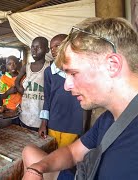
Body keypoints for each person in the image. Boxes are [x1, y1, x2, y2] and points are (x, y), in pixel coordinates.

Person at [22, 17, 138, 180]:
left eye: (74, 73)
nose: (66, 86)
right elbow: (71, 152)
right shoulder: (108, 118)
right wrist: (37, 169)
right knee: (30, 152)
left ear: (112, 65)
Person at [38, 34, 83, 148]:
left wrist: (84, 125)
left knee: (67, 158)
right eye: (51, 47)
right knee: (53, 155)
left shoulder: (79, 69)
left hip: (73, 125)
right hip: (54, 123)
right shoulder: (49, 72)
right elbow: (47, 99)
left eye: (57, 46)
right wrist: (44, 123)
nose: (53, 50)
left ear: (68, 45)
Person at [15, 37, 50, 130]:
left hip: (40, 117)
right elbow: (17, 81)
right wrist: (20, 89)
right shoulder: (26, 67)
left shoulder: (49, 67)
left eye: (38, 47)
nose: (34, 50)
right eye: (32, 47)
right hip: (25, 114)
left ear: (47, 50)